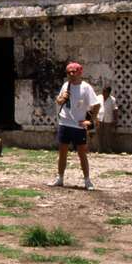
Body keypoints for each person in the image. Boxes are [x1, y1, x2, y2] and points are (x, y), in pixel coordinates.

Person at [49, 61, 100, 190]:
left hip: (79, 125)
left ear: (80, 72)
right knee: (62, 152)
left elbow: (96, 104)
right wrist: (62, 98)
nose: (71, 74)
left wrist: (90, 121)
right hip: (65, 123)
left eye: (74, 72)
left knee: (82, 153)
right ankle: (60, 178)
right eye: (69, 72)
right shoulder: (66, 85)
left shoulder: (86, 87)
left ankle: (87, 180)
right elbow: (59, 101)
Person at [95, 85, 118, 154]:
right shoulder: (98, 97)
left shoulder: (112, 99)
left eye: (105, 91)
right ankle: (100, 149)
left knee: (108, 135)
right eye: (103, 91)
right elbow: (95, 107)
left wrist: (115, 119)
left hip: (108, 119)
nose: (103, 92)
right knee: (99, 134)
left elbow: (115, 109)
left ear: (109, 92)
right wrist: (95, 117)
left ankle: (108, 149)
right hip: (99, 118)